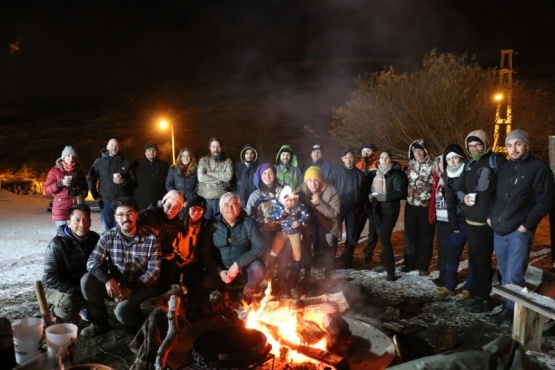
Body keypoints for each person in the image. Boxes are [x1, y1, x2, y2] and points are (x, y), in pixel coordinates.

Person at [488, 130, 554, 323]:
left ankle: (512, 312)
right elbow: (496, 196)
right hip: (500, 230)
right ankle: (507, 307)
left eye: (518, 144)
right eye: (509, 145)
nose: (513, 149)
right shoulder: (506, 168)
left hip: (519, 232)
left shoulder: (538, 167)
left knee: (514, 274)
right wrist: (491, 217)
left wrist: (526, 225)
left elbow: (545, 200)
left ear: (526, 145)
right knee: (503, 272)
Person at [80, 197, 160, 336]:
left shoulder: (150, 239)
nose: (125, 218)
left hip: (140, 286)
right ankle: (100, 323)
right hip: (117, 285)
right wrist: (107, 280)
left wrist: (131, 289)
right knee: (86, 280)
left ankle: (139, 320)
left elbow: (154, 270)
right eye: (121, 214)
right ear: (116, 217)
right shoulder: (108, 236)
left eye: (129, 213)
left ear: (136, 215)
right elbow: (92, 262)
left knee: (122, 313)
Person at [457, 129, 506, 313]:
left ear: (486, 144)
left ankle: (483, 298)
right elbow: (460, 186)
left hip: (487, 223)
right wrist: (463, 198)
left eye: (478, 145)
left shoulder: (497, 162)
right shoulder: (470, 164)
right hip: (471, 221)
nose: (474, 148)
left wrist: (493, 215)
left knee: (483, 261)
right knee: (475, 260)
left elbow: (504, 192)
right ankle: (476, 294)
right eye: (471, 146)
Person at [199, 192, 267, 302]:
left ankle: (249, 291)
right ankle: (218, 299)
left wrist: (237, 264)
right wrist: (219, 271)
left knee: (259, 267)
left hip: (244, 267)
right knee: (204, 283)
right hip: (220, 268)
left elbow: (260, 248)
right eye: (226, 205)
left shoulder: (248, 222)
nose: (230, 208)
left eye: (234, 205)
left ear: (240, 207)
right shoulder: (212, 224)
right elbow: (205, 252)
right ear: (220, 209)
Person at [43, 204, 100, 322]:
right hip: (57, 288)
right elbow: (49, 278)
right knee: (69, 303)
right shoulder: (57, 244)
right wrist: (76, 291)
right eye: (77, 220)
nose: (82, 225)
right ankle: (54, 311)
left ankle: (84, 306)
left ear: (90, 221)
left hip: (82, 284)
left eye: (85, 220)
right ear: (68, 222)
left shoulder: (94, 238)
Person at [435, 144, 472, 300]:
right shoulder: (448, 177)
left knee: (474, 257)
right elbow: (450, 203)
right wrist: (453, 224)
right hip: (459, 223)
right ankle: (449, 286)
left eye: (455, 158)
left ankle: (469, 287)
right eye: (448, 159)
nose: (452, 162)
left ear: (461, 158)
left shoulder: (470, 173)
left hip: (474, 222)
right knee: (452, 255)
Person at [367, 151, 407, 281]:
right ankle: (385, 263)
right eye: (382, 158)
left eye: (387, 158)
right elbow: (370, 190)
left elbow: (401, 193)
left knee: (384, 236)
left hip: (390, 209)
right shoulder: (374, 173)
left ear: (391, 160)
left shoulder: (396, 173)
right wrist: (370, 196)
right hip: (376, 209)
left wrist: (383, 197)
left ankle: (391, 270)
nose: (384, 160)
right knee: (382, 238)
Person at [300, 166, 341, 280]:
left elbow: (334, 214)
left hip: (328, 223)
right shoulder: (302, 190)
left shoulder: (331, 190)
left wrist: (319, 203)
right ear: (306, 181)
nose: (313, 184)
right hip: (309, 222)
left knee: (329, 245)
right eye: (310, 180)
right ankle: (307, 273)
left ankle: (327, 275)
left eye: (316, 180)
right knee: (306, 245)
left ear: (321, 180)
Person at [268, 186, 310, 296]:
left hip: (294, 232)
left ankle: (293, 280)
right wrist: (283, 212)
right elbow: (273, 216)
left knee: (297, 254)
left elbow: (306, 216)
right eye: (288, 200)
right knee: (274, 251)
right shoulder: (279, 206)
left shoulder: (299, 206)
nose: (291, 203)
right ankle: (272, 276)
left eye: (293, 200)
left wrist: (299, 222)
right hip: (281, 232)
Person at [402, 139, 435, 276]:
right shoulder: (408, 166)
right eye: (415, 151)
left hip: (425, 207)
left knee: (425, 236)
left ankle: (423, 266)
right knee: (410, 235)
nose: (418, 153)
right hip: (411, 205)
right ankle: (409, 263)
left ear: (425, 151)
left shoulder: (433, 166)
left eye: (420, 150)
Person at [329, 149, 368, 268]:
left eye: (351, 157)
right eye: (346, 157)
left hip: (354, 209)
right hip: (338, 208)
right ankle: (330, 258)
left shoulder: (360, 174)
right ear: (342, 159)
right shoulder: (336, 172)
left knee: (351, 235)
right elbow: (330, 188)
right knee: (334, 234)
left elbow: (364, 192)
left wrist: (362, 206)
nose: (349, 159)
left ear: (354, 159)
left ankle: (347, 258)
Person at [87, 138, 132, 232]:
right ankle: (107, 246)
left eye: (117, 145)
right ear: (107, 147)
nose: (114, 147)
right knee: (107, 229)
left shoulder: (126, 162)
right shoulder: (99, 162)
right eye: (112, 145)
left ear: (120, 147)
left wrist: (123, 181)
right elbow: (91, 177)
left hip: (122, 203)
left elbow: (134, 182)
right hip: (105, 201)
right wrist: (95, 194)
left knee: (120, 228)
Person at [44, 146, 89, 228]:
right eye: (68, 156)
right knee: (63, 236)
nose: (71, 158)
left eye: (73, 156)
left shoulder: (79, 171)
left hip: (76, 209)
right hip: (61, 209)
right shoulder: (55, 171)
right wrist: (60, 184)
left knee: (75, 236)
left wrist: (81, 194)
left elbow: (85, 188)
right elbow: (47, 189)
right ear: (63, 157)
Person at [197, 137, 233, 220]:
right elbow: (201, 177)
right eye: (213, 146)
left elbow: (228, 176)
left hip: (222, 200)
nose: (215, 149)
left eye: (218, 147)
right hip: (205, 200)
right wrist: (220, 180)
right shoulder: (203, 160)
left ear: (222, 148)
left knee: (221, 225)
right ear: (210, 148)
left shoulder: (227, 161)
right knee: (205, 225)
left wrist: (210, 174)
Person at [356, 143, 380, 264]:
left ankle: (368, 252)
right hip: (360, 202)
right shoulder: (358, 166)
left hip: (374, 202)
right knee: (356, 227)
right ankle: (349, 251)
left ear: (373, 152)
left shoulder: (378, 164)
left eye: (368, 151)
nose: (366, 153)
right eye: (364, 151)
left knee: (373, 229)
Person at [130, 142, 169, 211]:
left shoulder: (163, 165)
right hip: (140, 201)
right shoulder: (137, 163)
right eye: (149, 150)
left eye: (154, 150)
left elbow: (168, 182)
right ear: (145, 152)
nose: (151, 152)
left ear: (157, 152)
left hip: (158, 201)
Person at [165, 147, 199, 219]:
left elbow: (198, 186)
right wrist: (177, 197)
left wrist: (191, 199)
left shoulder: (196, 170)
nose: (185, 158)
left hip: (190, 202)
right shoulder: (173, 169)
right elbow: (169, 184)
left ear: (191, 157)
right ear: (180, 157)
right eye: (183, 156)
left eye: (188, 156)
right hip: (176, 203)